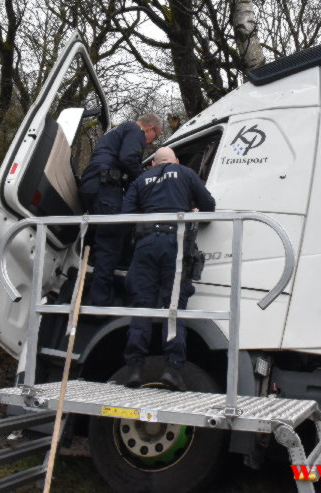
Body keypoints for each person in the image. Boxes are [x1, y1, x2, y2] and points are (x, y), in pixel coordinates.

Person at [121, 147, 215, 390]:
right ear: (176, 161)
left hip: (146, 245)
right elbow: (208, 205)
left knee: (142, 307)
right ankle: (172, 369)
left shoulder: (141, 180)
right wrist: (193, 212)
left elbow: (126, 214)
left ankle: (134, 368)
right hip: (175, 244)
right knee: (173, 308)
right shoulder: (185, 173)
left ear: (153, 164)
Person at [79, 114, 163, 306]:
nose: (150, 142)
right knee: (110, 241)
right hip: (105, 186)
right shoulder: (135, 130)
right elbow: (128, 158)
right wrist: (144, 183)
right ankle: (101, 299)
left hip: (93, 185)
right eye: (154, 137)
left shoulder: (117, 132)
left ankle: (95, 289)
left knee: (106, 237)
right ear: (149, 128)